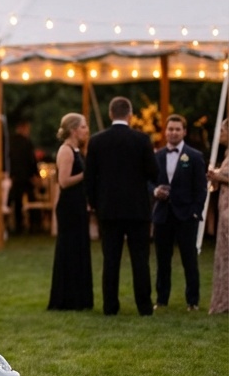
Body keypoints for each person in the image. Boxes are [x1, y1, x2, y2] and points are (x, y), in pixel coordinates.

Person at [85, 96, 159, 316]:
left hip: (108, 209)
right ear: (130, 115)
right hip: (137, 208)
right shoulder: (142, 140)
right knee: (140, 259)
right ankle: (144, 306)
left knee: (111, 259)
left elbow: (89, 178)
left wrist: (95, 204)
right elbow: (154, 172)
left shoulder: (97, 141)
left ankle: (110, 307)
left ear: (110, 114)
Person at [151, 114, 207, 311]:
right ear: (165, 132)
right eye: (170, 129)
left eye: (177, 129)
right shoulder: (157, 156)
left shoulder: (194, 156)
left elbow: (201, 188)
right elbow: (149, 181)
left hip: (186, 216)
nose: (173, 132)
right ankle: (161, 300)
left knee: (189, 260)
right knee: (162, 260)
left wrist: (195, 211)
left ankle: (193, 301)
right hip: (163, 215)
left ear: (184, 132)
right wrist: (155, 191)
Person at [48, 113, 92, 310]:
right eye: (83, 127)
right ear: (73, 130)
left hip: (78, 204)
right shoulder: (66, 151)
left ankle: (79, 297)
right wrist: (86, 174)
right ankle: (67, 297)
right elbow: (64, 181)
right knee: (70, 249)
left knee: (79, 248)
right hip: (69, 207)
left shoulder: (77, 150)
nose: (86, 130)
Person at [207, 118, 229, 315]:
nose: (220, 134)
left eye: (222, 130)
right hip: (224, 206)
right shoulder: (226, 155)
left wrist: (218, 176)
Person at [8, 118, 39, 234]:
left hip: (16, 176)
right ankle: (34, 224)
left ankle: (19, 225)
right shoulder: (26, 142)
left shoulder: (11, 142)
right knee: (31, 199)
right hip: (27, 176)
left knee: (18, 202)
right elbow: (31, 159)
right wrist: (35, 174)